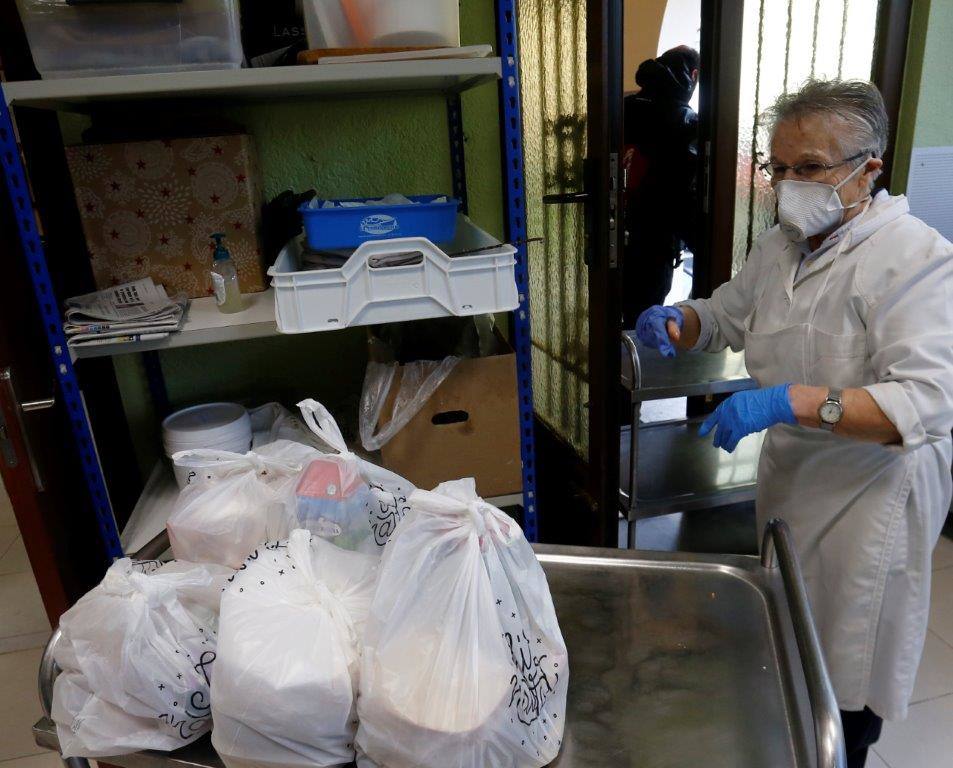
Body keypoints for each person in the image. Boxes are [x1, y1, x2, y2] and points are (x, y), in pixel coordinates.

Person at [636, 79, 953, 768]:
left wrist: (788, 402)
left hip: (870, 495)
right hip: (795, 480)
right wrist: (681, 320)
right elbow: (728, 312)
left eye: (808, 167)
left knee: (846, 668)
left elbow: (924, 401)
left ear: (868, 167)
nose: (787, 184)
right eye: (777, 167)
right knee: (790, 646)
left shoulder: (915, 260)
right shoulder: (782, 244)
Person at [622, 46, 700, 328]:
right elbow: (686, 194)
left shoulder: (625, 106)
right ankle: (631, 370)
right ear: (693, 75)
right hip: (656, 241)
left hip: (612, 233)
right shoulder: (688, 122)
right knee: (642, 321)